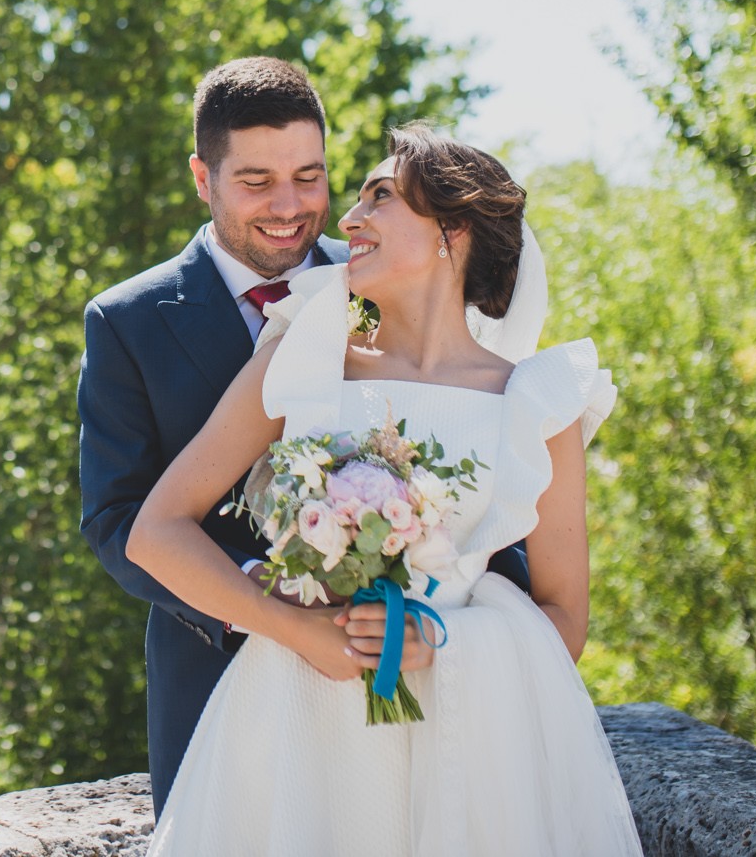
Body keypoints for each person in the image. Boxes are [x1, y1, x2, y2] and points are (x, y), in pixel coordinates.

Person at [126, 123, 643, 855]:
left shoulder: (537, 404)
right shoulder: (307, 355)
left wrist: (443, 639)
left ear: (452, 230)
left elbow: (564, 620)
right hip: (296, 724)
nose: (348, 218)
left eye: (381, 196)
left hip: (467, 746)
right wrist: (295, 627)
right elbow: (158, 531)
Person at [77, 61, 529, 816]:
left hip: (407, 691)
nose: (289, 207)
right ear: (203, 176)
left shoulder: (382, 285)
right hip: (216, 677)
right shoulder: (128, 321)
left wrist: (444, 625)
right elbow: (117, 521)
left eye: (310, 176)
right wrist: (271, 591)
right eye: (256, 181)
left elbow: (476, 490)